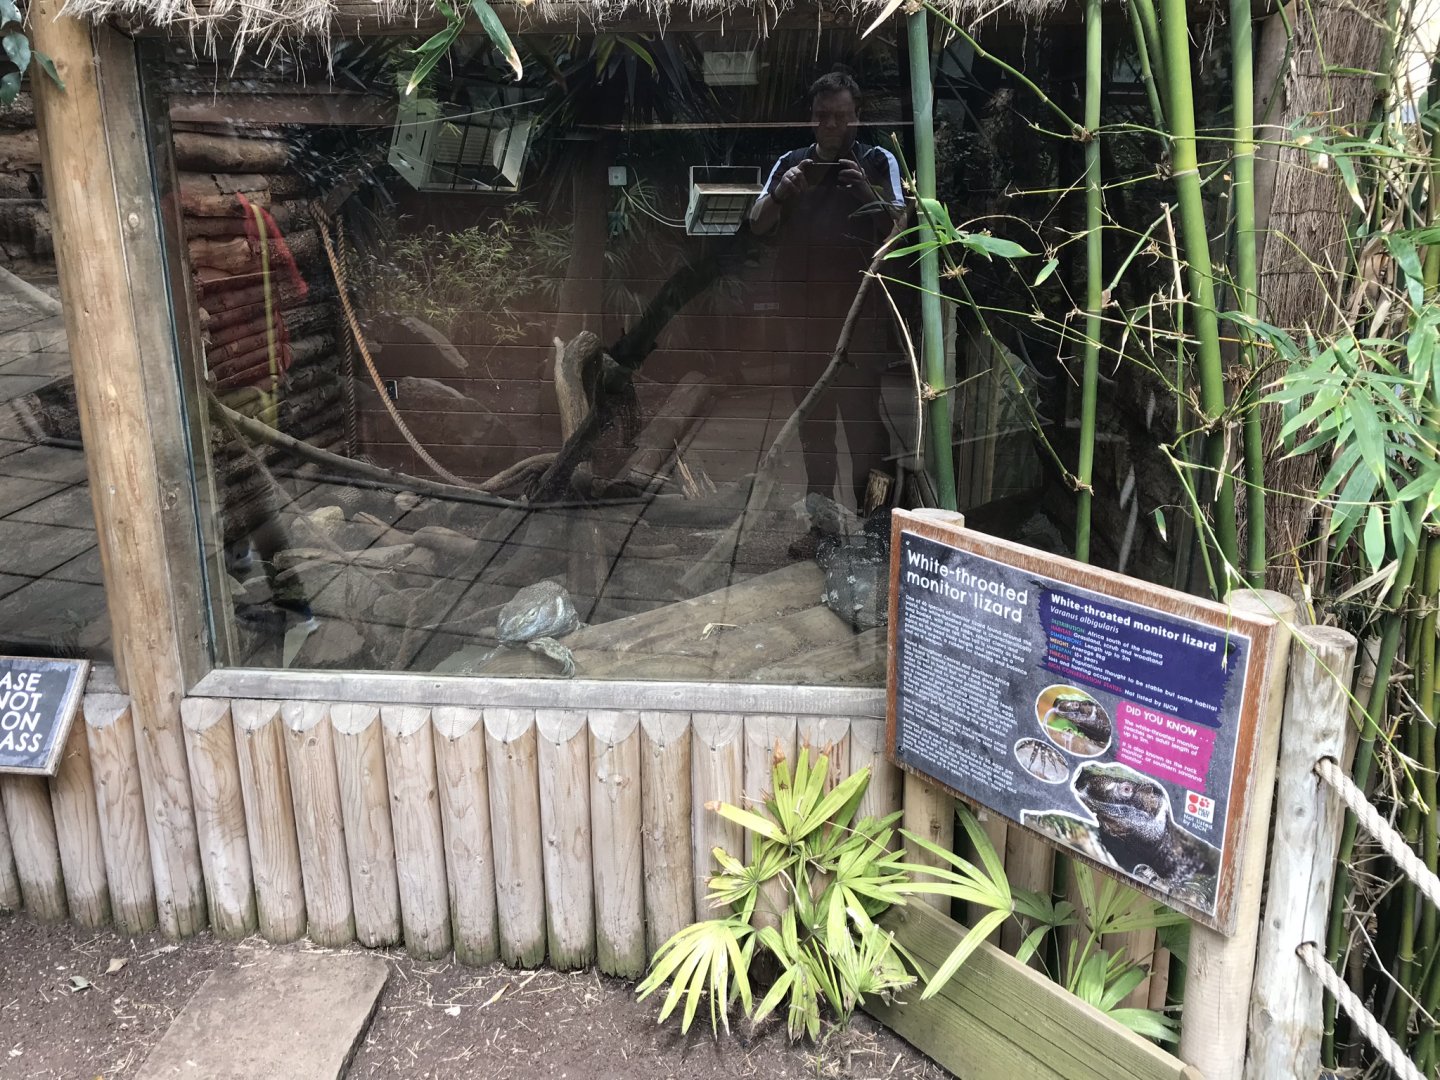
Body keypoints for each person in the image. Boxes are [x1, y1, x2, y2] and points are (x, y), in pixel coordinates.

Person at [750, 69, 907, 514]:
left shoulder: (878, 162)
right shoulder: (791, 162)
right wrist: (780, 195)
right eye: (823, 117)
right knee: (813, 429)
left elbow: (900, 230)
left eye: (841, 117)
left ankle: (875, 526)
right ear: (812, 119)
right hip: (802, 321)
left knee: (865, 433)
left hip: (858, 321)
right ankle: (822, 527)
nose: (832, 126)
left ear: (858, 117)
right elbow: (756, 223)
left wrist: (864, 192)